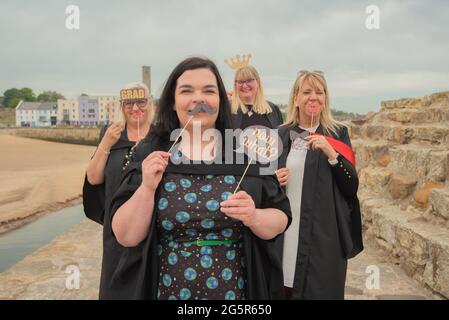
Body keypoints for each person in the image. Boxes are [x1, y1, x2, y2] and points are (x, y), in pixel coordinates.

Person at [109, 56, 292, 300]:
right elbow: (126, 235)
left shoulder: (245, 153)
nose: (198, 99)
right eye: (186, 91)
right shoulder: (150, 151)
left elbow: (280, 218)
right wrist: (146, 188)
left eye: (208, 90)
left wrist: (254, 216)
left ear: (219, 100)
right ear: (173, 102)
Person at [275, 70, 363, 300]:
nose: (313, 97)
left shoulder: (337, 133)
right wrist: (275, 180)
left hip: (323, 233)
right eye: (306, 92)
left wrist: (331, 154)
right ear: (295, 98)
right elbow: (263, 183)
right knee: (284, 287)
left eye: (319, 92)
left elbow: (351, 186)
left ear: (325, 98)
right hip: (287, 231)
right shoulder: (281, 134)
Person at [82, 82, 152, 299]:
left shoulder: (162, 136)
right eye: (129, 103)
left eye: (140, 102)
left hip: (151, 231)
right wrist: (106, 142)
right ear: (122, 106)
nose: (135, 108)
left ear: (150, 104)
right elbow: (93, 178)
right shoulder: (111, 133)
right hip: (115, 233)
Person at [231, 65, 284, 129]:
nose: (244, 85)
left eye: (249, 80)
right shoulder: (229, 112)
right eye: (240, 82)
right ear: (235, 85)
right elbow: (227, 138)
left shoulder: (273, 110)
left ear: (258, 82)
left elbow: (279, 137)